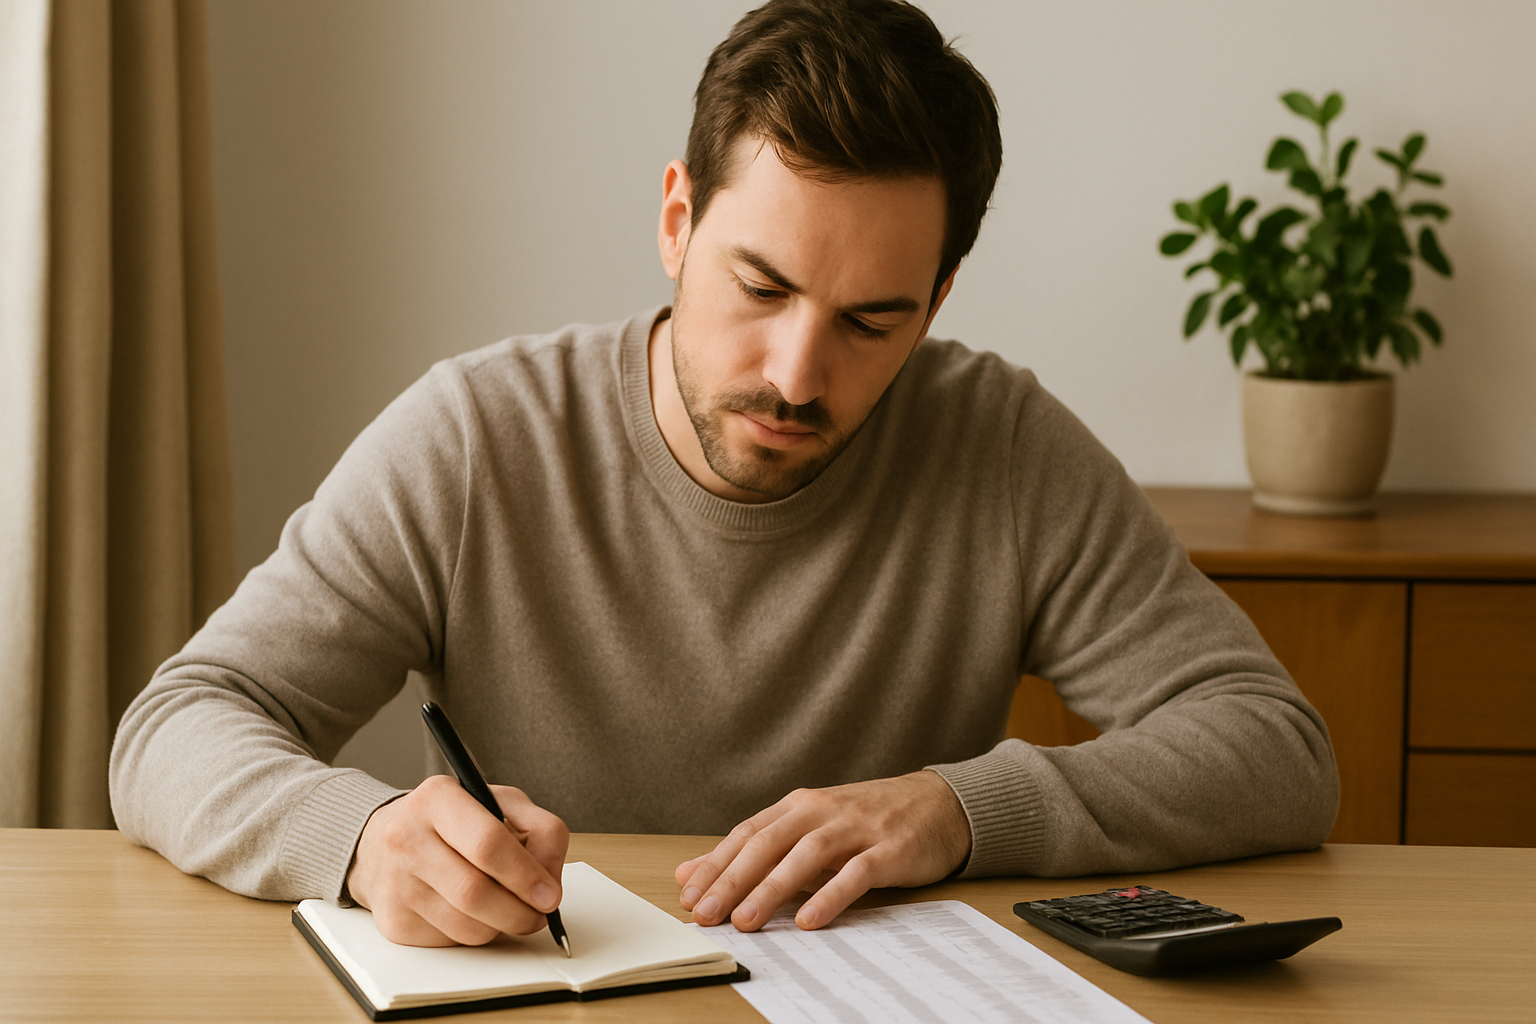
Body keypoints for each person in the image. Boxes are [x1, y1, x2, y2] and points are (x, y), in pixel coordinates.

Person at [110, 0, 1337, 949]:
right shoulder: (478, 436)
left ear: (938, 301)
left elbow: (1275, 747)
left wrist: (960, 810)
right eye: (761, 288)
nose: (799, 374)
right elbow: (176, 726)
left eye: (872, 320)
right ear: (676, 221)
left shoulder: (1001, 445)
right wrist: (364, 837)